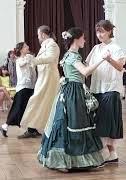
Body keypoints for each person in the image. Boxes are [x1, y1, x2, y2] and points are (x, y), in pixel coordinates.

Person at [38, 27, 105, 170]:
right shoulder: (73, 56)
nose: (85, 40)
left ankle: (72, 161)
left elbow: (82, 67)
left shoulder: (71, 55)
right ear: (77, 39)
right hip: (73, 92)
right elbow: (85, 72)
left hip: (71, 90)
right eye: (83, 38)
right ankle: (67, 161)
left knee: (73, 123)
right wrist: (102, 60)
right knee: (75, 123)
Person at [86, 20, 125, 165]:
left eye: (102, 31)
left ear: (109, 31)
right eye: (97, 31)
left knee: (106, 123)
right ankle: (112, 154)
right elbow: (87, 64)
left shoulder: (116, 48)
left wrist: (109, 60)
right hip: (96, 89)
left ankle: (103, 154)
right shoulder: (96, 48)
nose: (99, 34)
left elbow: (120, 67)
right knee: (100, 122)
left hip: (110, 89)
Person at [19, 25, 60, 138]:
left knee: (43, 102)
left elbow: (50, 58)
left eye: (38, 35)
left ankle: (44, 128)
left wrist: (34, 60)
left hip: (49, 78)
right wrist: (30, 62)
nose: (38, 37)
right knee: (39, 102)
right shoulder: (45, 46)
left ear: (42, 34)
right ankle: (33, 128)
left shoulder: (52, 45)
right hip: (44, 78)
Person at [0, 42, 36, 137]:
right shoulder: (19, 60)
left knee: (29, 108)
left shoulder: (29, 57)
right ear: (21, 50)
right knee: (17, 109)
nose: (28, 47)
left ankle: (31, 129)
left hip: (31, 87)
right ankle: (5, 126)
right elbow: (24, 63)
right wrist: (30, 58)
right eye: (25, 46)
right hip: (23, 88)